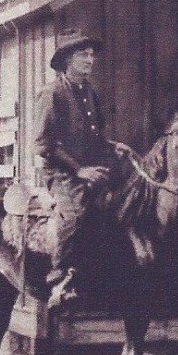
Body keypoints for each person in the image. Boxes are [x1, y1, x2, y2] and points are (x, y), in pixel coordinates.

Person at [33, 28, 129, 308]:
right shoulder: (52, 93)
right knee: (77, 213)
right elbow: (43, 144)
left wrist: (112, 147)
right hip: (60, 172)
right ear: (67, 60)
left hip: (88, 166)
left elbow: (92, 138)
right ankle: (60, 277)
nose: (90, 60)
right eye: (82, 55)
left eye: (91, 55)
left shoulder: (88, 93)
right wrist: (78, 170)